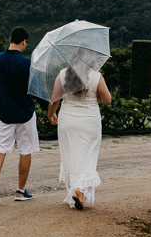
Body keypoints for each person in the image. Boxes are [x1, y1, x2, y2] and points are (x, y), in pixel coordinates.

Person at [48, 64, 112, 209]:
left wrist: (50, 114)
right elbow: (107, 100)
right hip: (89, 121)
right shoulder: (96, 76)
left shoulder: (62, 74)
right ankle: (79, 189)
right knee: (87, 156)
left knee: (71, 155)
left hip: (68, 119)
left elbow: (55, 100)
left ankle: (76, 188)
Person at [0, 27, 38, 204]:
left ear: (10, 39)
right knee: (26, 150)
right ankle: (20, 191)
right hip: (25, 113)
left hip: (4, 112)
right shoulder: (26, 63)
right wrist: (50, 111)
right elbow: (34, 89)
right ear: (24, 42)